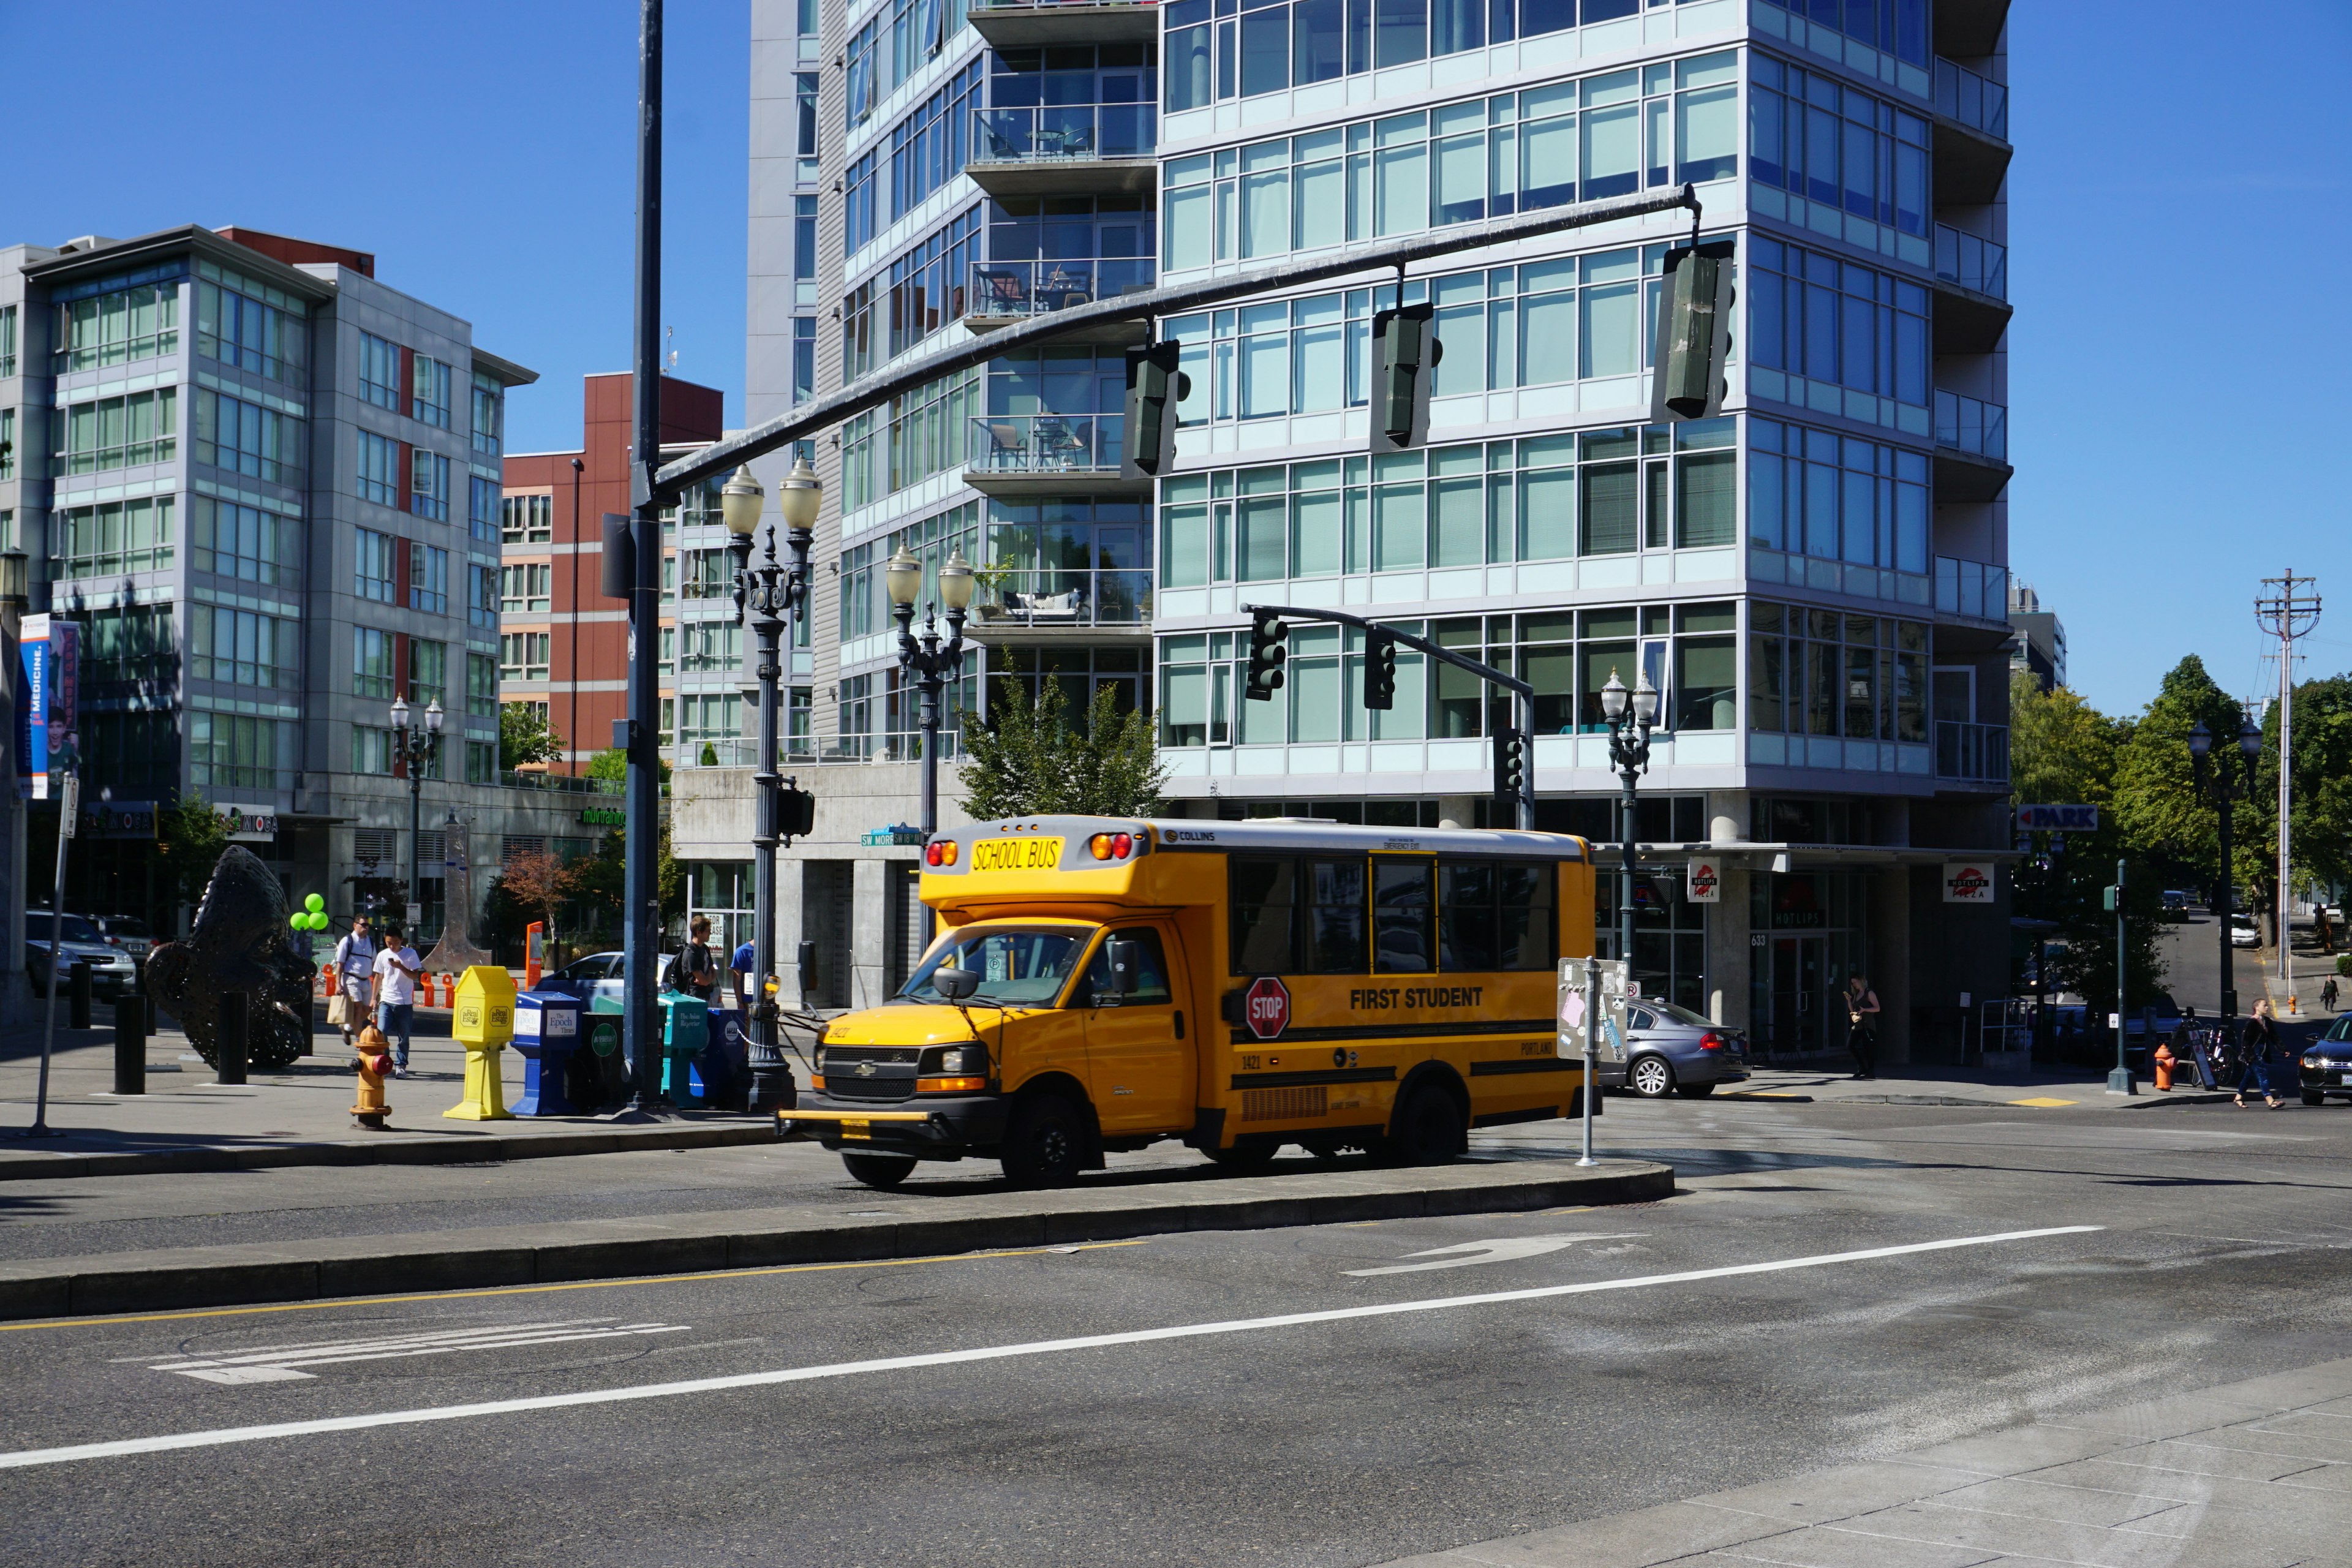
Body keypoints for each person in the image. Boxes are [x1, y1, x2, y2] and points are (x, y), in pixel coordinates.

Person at [371, 925, 423, 1076]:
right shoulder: (382, 955)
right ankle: (385, 1062)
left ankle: (401, 1065)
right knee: (382, 1032)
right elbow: (378, 977)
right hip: (386, 1000)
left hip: (404, 1003)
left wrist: (400, 966)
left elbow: (415, 976)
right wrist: (374, 998)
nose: (392, 946)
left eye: (395, 942)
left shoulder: (410, 954)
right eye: (389, 943)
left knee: (403, 1036)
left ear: (402, 940)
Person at [331, 915, 379, 1049]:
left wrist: (377, 984)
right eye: (363, 925)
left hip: (366, 980)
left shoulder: (371, 941)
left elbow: (374, 964)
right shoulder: (348, 941)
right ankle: (359, 1040)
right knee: (357, 1008)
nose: (366, 928)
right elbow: (340, 964)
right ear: (355, 925)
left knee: (368, 1009)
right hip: (351, 979)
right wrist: (338, 984)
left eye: (367, 925)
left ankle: (347, 1027)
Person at [2235, 999, 2284, 1110]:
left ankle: (2238, 1097)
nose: (2267, 1008)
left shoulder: (2267, 1021)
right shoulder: (2252, 1022)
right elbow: (2245, 1041)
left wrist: (2283, 1049)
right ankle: (2270, 1100)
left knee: (2248, 1076)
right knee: (2263, 1075)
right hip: (2253, 1054)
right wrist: (2249, 1055)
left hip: (2261, 1052)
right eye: (2265, 1006)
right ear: (2257, 1007)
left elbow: (2274, 1036)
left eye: (2267, 1006)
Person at [672, 916, 717, 1004]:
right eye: (708, 931)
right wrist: (708, 976)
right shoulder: (690, 953)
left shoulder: (706, 949)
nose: (710, 933)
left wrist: (707, 977)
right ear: (699, 932)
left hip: (705, 998)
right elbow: (704, 981)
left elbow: (714, 972)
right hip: (692, 1000)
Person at [1844, 974, 1880, 1080]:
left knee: (1869, 1048)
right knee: (1850, 1045)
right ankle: (1862, 1067)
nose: (1853, 984)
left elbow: (1877, 1008)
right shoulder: (1856, 994)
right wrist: (1849, 1001)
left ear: (1861, 981)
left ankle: (1871, 1071)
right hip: (1858, 1024)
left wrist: (1865, 1010)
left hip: (1868, 1024)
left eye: (1855, 982)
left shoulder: (1869, 993)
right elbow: (1852, 1010)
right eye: (1852, 983)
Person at [730, 935, 757, 1013]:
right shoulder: (742, 951)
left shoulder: (766, 951)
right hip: (747, 1001)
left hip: (764, 1000)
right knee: (747, 1025)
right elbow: (736, 980)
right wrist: (740, 1002)